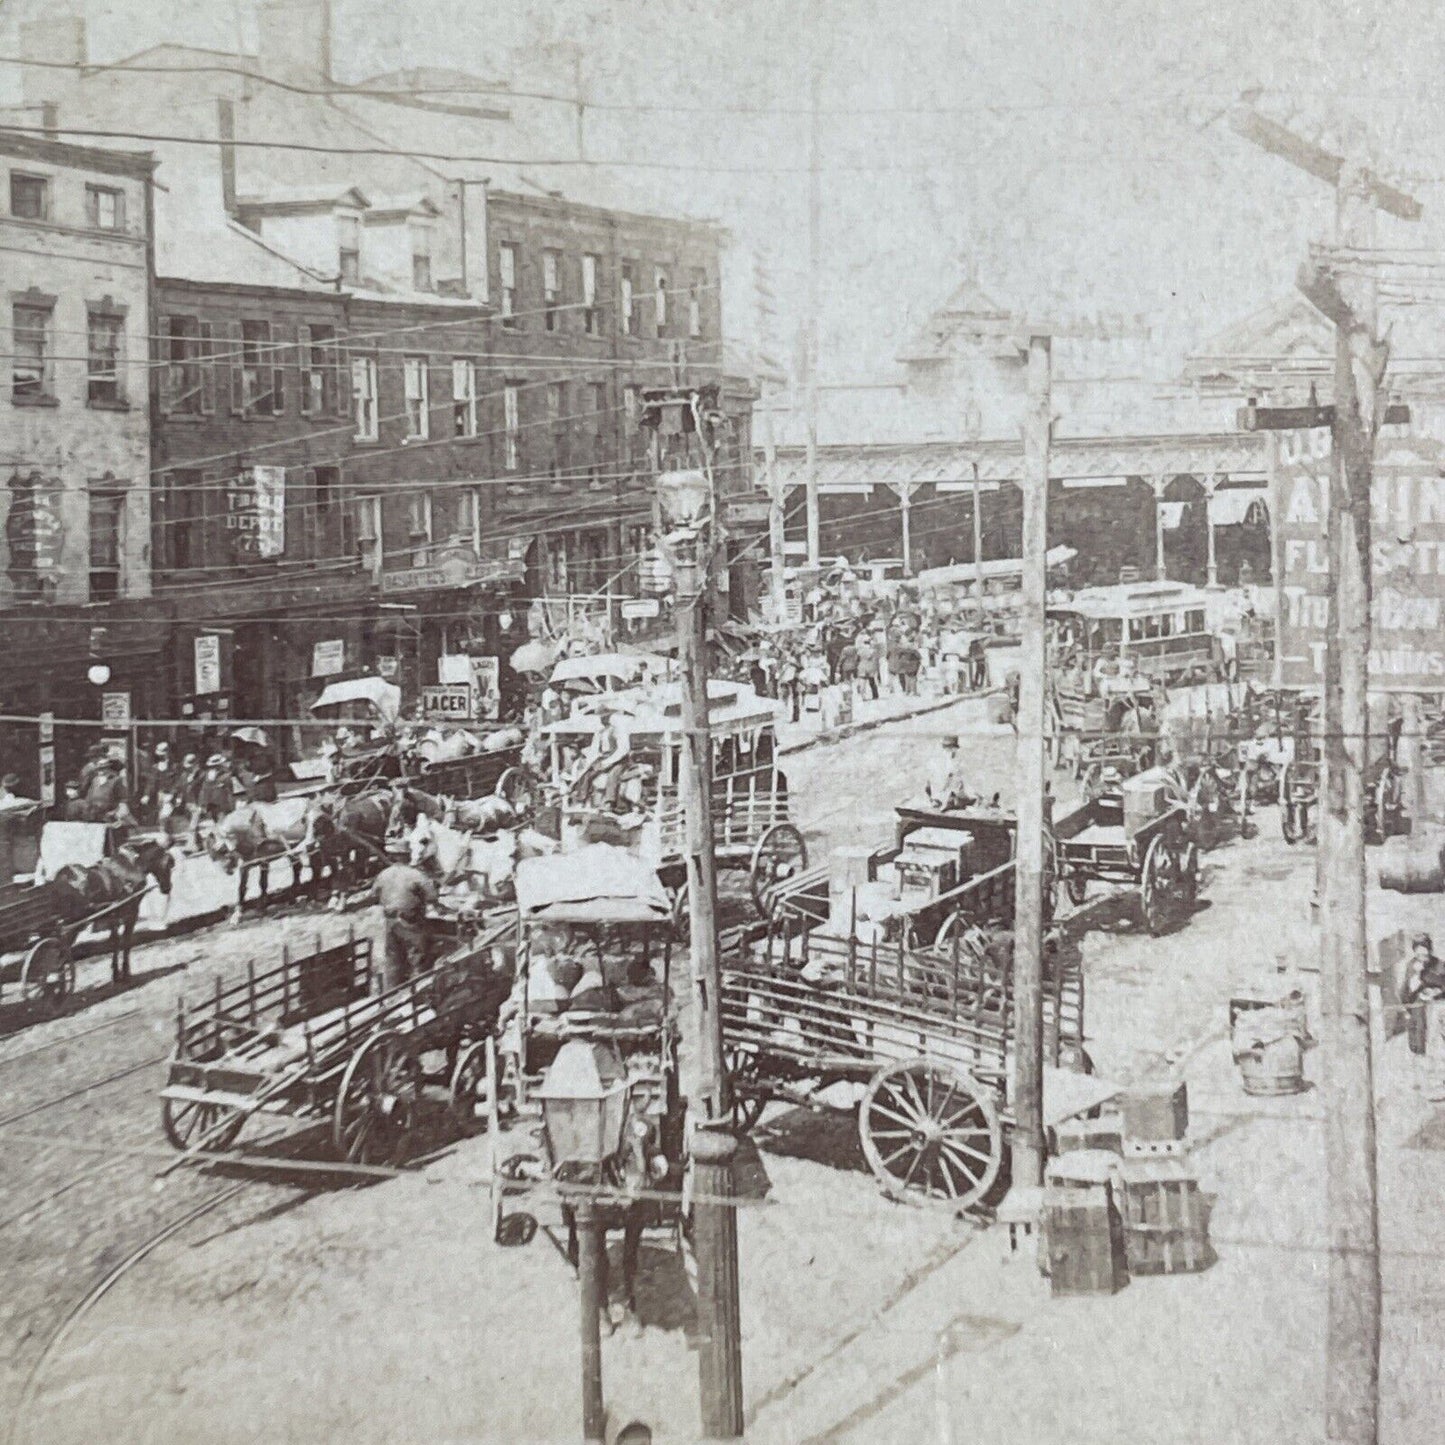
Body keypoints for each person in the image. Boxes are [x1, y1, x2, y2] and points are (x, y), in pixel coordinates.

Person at [372, 860, 442, 993]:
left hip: (390, 921)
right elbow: (432, 895)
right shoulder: (416, 875)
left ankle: (390, 997)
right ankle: (416, 996)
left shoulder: (383, 874)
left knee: (393, 961)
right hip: (410, 920)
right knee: (417, 959)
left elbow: (375, 894)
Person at [1401, 934, 1445, 1083]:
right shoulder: (1411, 966)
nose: (1422, 957)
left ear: (1430, 950)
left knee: (1438, 1044)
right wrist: (1417, 975)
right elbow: (1405, 995)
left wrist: (1437, 992)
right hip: (1419, 1012)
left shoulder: (1439, 965)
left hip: (1439, 1010)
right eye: (1419, 954)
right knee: (1420, 1045)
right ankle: (1423, 1079)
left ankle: (1440, 1077)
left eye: (1425, 953)